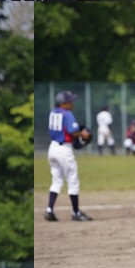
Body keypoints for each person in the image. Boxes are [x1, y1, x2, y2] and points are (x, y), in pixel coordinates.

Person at [45, 90, 92, 221]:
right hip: (64, 149)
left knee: (56, 180)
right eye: (70, 101)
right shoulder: (67, 114)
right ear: (63, 103)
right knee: (72, 179)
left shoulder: (53, 112)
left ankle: (49, 210)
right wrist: (83, 135)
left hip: (52, 148)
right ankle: (76, 212)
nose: (72, 103)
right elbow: (72, 131)